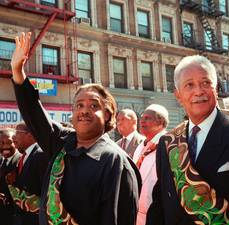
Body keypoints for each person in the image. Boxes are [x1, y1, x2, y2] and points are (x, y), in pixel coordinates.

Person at [11, 32, 141, 225]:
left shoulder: (115, 163)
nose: (84, 111)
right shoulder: (62, 143)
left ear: (107, 115)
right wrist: (17, 70)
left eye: (94, 105)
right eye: (79, 105)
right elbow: (35, 114)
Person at [146, 55, 229, 225]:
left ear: (215, 89)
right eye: (189, 85)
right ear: (178, 95)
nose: (199, 91)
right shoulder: (168, 142)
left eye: (205, 83)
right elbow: (160, 206)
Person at [132, 104, 168, 225]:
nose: (142, 120)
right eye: (142, 117)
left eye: (147, 118)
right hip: (137, 213)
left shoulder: (169, 144)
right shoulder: (141, 146)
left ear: (161, 121)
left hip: (158, 214)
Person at [10, 122, 49, 225]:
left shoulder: (41, 154)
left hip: (34, 219)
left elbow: (45, 192)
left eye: (17, 132)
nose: (14, 136)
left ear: (30, 134)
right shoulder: (25, 154)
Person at [0, 129, 21, 225]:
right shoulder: (1, 160)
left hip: (15, 217)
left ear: (15, 142)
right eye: (1, 143)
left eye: (9, 142)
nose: (4, 146)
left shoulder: (21, 160)